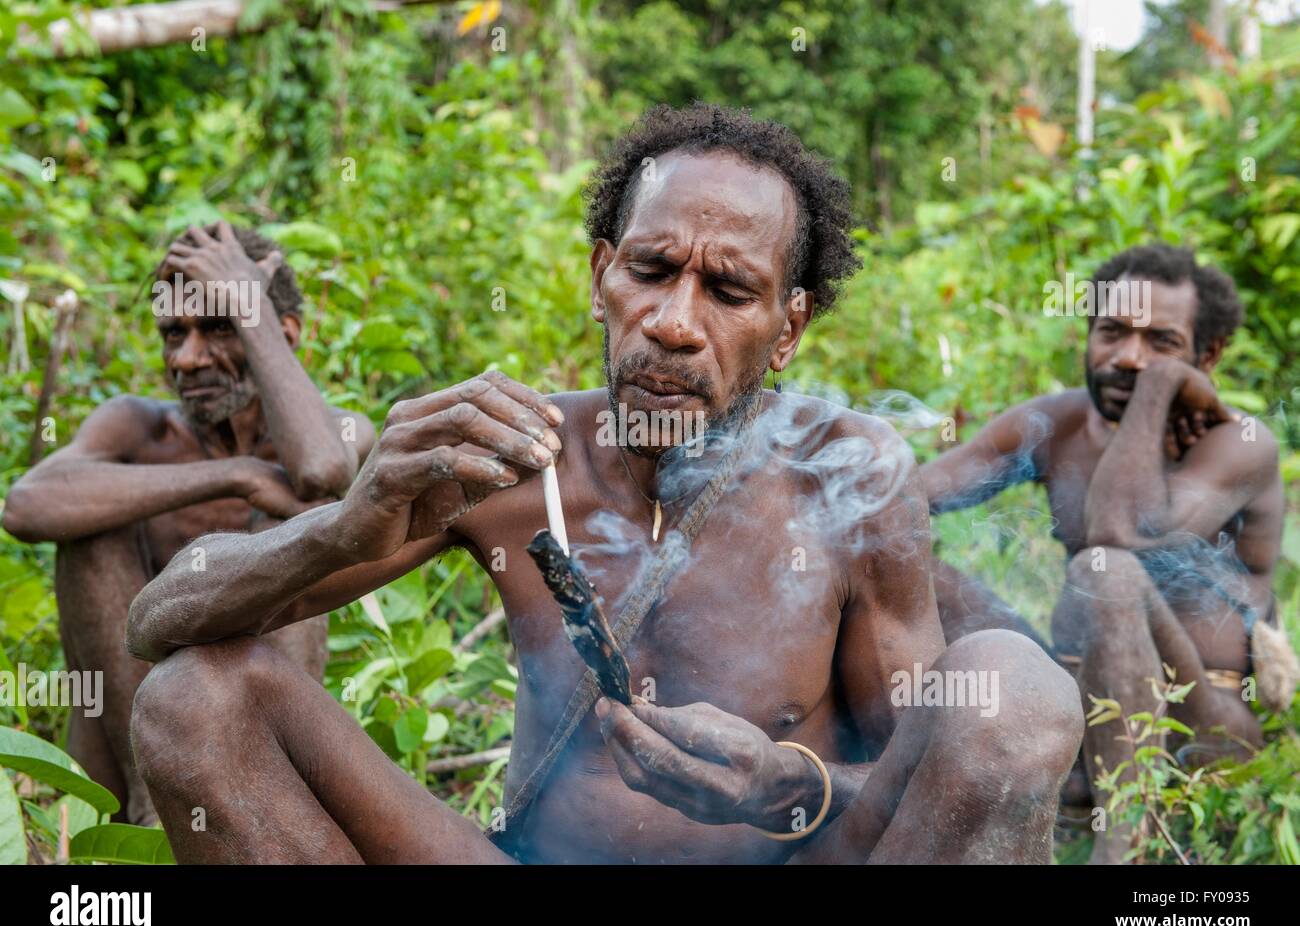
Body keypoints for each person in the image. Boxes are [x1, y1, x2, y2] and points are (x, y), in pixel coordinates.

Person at [125, 104, 1081, 864]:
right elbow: (156, 619)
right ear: (600, 276)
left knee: (1015, 689)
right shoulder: (506, 453)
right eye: (651, 270)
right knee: (193, 698)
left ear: (788, 330)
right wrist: (346, 524)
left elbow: (921, 791)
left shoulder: (846, 477)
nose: (672, 321)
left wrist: (783, 781)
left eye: (729, 290)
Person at [921, 243, 1287, 863]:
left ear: (1210, 354)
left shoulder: (1239, 443)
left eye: (1161, 343)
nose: (1128, 358)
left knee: (1104, 570)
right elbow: (904, 495)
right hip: (1075, 701)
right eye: (1111, 332)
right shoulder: (1058, 423)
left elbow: (1118, 533)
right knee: (902, 563)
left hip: (1206, 726)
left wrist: (1160, 393)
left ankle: (1126, 844)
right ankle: (905, 768)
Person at [2, 222, 374, 824]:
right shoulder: (138, 427)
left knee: (295, 515)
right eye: (174, 332)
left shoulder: (335, 427)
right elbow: (26, 506)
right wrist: (236, 473)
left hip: (252, 746)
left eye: (218, 327)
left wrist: (250, 301)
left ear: (280, 335)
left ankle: (252, 800)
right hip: (126, 752)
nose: (187, 357)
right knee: (89, 533)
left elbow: (323, 469)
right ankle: (156, 806)